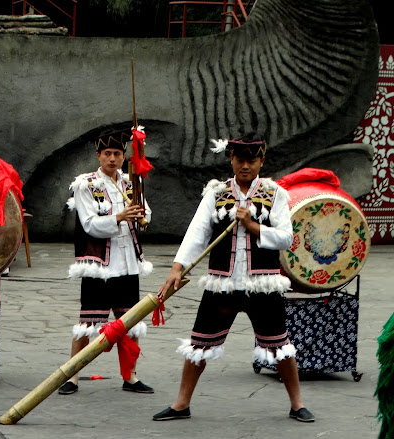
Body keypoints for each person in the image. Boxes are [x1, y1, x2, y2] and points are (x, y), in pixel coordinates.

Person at [152, 132, 315, 422]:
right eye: (240, 160)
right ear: (231, 159)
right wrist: (178, 267)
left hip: (263, 284)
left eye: (252, 161)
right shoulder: (216, 194)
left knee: (280, 345)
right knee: (199, 343)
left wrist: (252, 225)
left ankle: (297, 403)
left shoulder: (274, 194)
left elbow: (287, 239)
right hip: (222, 282)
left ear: (262, 161)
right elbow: (197, 233)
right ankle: (181, 403)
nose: (245, 166)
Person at [58, 128, 154, 395]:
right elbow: (89, 224)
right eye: (107, 154)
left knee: (130, 322)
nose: (112, 159)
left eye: (118, 154)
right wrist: (120, 217)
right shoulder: (85, 184)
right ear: (98, 156)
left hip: (127, 263)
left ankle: (131, 376)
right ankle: (72, 375)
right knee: (87, 321)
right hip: (99, 265)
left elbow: (146, 212)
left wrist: (141, 216)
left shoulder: (131, 182)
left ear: (124, 156)